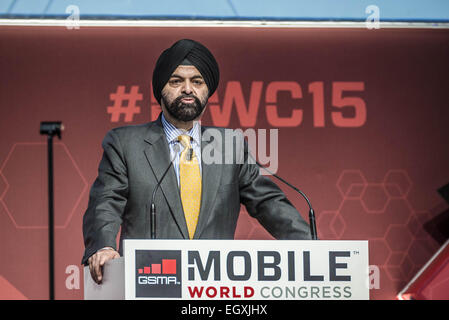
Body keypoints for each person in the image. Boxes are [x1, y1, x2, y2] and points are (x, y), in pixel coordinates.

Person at [82, 39, 311, 284]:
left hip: (212, 287)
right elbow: (106, 202)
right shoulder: (126, 144)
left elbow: (268, 203)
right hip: (149, 283)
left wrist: (313, 248)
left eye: (197, 81)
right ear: (161, 88)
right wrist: (103, 246)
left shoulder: (230, 144)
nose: (188, 89)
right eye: (176, 81)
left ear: (208, 90)